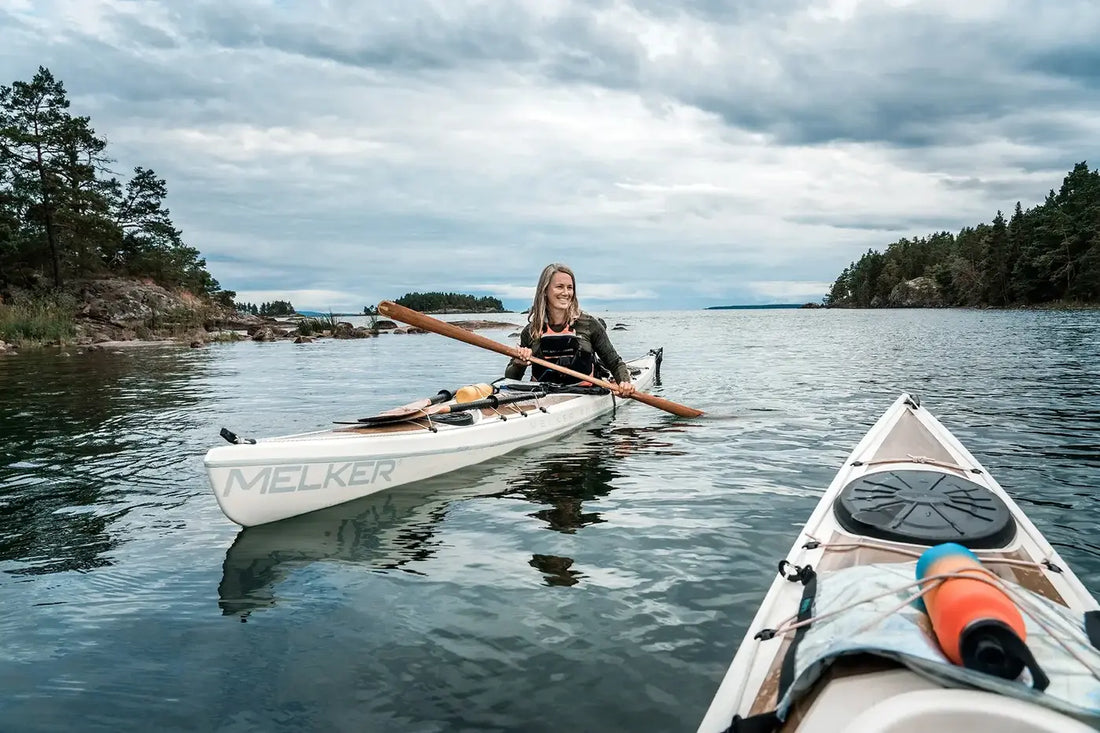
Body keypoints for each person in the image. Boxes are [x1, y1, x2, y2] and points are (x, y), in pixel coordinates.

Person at [506, 263, 636, 398]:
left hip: (586, 394)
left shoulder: (589, 325)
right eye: (559, 287)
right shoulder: (531, 331)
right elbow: (510, 378)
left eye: (570, 288)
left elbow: (615, 363)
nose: (566, 293)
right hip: (543, 397)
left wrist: (624, 382)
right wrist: (518, 364)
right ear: (545, 291)